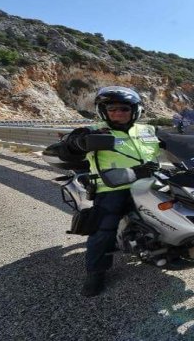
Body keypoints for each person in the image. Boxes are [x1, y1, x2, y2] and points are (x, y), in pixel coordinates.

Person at [61, 86, 161, 297]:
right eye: (112, 109)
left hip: (150, 183)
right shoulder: (95, 131)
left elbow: (177, 143)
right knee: (104, 228)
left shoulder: (147, 131)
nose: (118, 113)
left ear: (134, 111)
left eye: (123, 109)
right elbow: (70, 145)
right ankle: (95, 273)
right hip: (113, 188)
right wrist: (78, 141)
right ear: (103, 111)